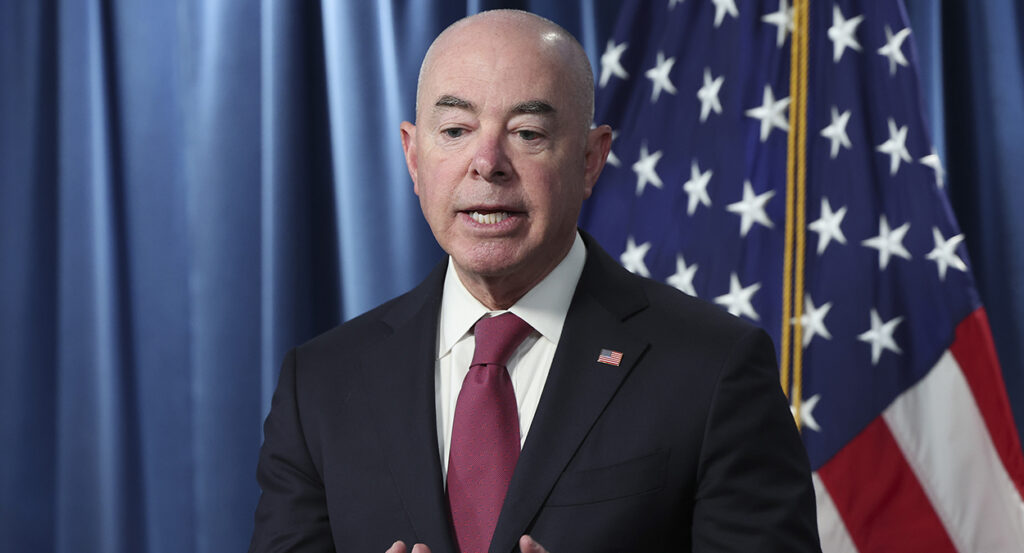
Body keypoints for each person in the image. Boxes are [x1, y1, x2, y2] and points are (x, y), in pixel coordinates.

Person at [249, 9, 820, 553]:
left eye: (527, 133)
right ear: (414, 156)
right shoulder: (320, 384)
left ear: (591, 159)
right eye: (455, 129)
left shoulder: (713, 368)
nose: (487, 162)